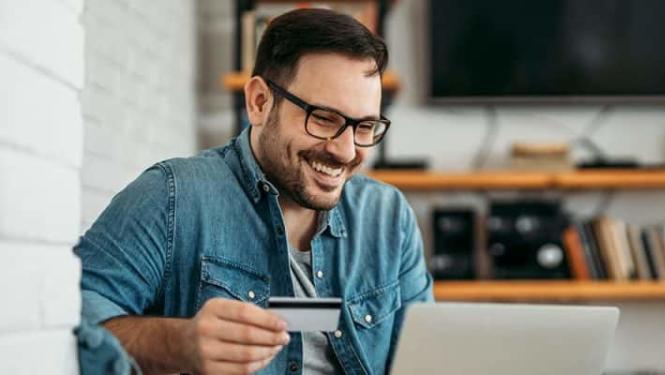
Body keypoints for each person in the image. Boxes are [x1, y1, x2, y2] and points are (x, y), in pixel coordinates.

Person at [74, 8, 433, 375]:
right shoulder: (172, 196)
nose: (345, 150)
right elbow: (70, 316)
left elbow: (430, 355)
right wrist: (175, 343)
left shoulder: (389, 218)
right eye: (323, 119)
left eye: (364, 126)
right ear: (259, 102)